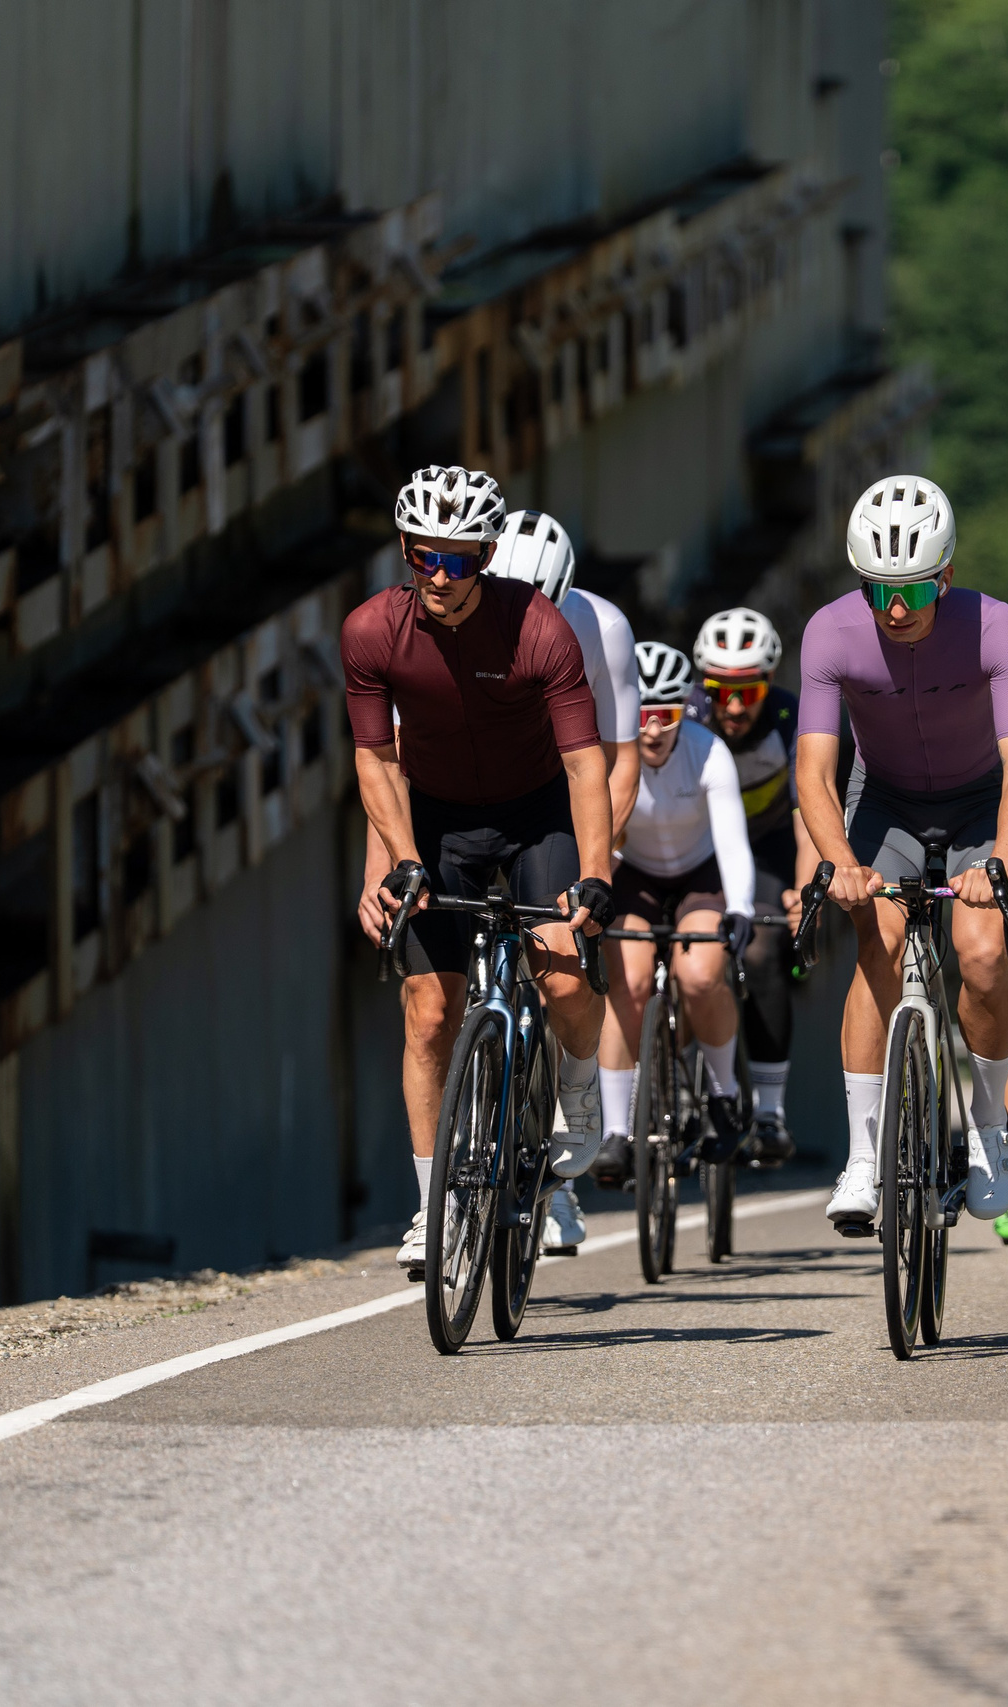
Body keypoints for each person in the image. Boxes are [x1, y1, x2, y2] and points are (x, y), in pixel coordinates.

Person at [344, 467, 613, 1280]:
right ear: (405, 549)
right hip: (436, 817)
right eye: (423, 555)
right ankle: (435, 1208)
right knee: (430, 1013)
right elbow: (375, 758)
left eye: (458, 560)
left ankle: (578, 1086)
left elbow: (585, 764)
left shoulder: (539, 629)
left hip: (536, 813)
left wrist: (595, 873)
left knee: (563, 974)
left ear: (487, 558)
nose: (438, 575)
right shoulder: (370, 631)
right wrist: (399, 859)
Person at [794, 475, 1008, 1234]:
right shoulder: (830, 632)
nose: (895, 609)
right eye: (877, 591)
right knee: (880, 938)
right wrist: (840, 863)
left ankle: (989, 1128)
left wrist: (1001, 864)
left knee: (984, 953)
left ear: (946, 576)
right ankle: (863, 1156)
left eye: (910, 590)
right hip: (887, 801)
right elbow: (814, 771)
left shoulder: (995, 626)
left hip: (978, 800)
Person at [578, 643, 758, 1249]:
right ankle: (616, 1132)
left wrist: (739, 907)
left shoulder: (709, 752)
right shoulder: (611, 755)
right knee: (627, 983)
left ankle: (725, 1095)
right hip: (634, 874)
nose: (653, 730)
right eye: (642, 715)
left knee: (701, 975)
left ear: (687, 711)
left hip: (699, 874)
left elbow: (732, 840)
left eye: (668, 715)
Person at [686, 607, 806, 1164]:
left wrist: (803, 886)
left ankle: (770, 1111)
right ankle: (670, 1080)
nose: (734, 706)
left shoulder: (789, 716)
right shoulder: (686, 714)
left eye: (749, 691)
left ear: (770, 681)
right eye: (719, 690)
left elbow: (810, 808)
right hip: (698, 847)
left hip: (769, 846)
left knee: (761, 951)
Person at [485, 509, 643, 838]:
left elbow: (622, 760)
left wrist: (593, 859)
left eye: (536, 615)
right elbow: (400, 753)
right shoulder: (451, 615)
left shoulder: (605, 628)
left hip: (558, 790)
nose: (518, 629)